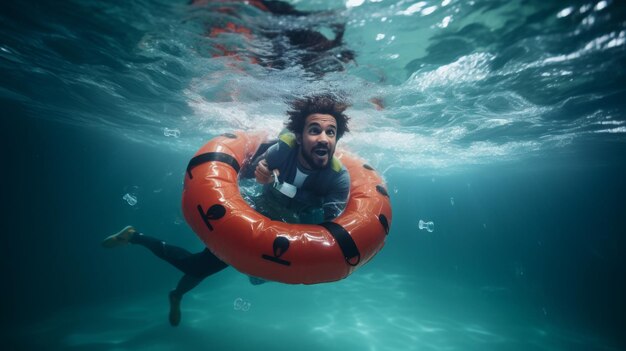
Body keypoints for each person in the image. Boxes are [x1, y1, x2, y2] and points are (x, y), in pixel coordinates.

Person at [102, 93, 351, 326]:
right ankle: (137, 240)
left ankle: (177, 289)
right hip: (254, 215)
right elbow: (253, 169)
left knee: (248, 276)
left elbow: (331, 226)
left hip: (292, 230)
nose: (323, 138)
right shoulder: (282, 150)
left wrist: (296, 195)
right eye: (315, 130)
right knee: (199, 266)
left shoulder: (338, 178)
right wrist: (261, 172)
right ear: (299, 136)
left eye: (331, 132)